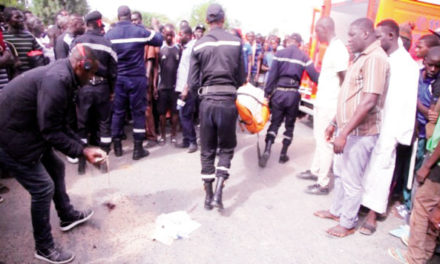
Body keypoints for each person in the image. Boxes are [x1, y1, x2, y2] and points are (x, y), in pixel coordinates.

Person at [0, 45, 105, 264]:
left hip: (27, 129)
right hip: (10, 135)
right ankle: (44, 247)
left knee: (56, 167)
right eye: (91, 72)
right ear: (80, 66)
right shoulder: (57, 81)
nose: (93, 76)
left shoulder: (67, 77)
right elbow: (50, 130)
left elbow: (61, 124)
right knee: (42, 187)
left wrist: (83, 146)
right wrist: (83, 151)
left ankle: (66, 215)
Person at [314, 18, 390, 238]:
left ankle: (347, 223)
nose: (349, 39)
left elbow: (368, 101)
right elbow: (349, 97)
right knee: (339, 173)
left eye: (352, 35)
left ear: (366, 34)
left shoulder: (375, 59)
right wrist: (334, 124)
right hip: (346, 129)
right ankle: (337, 211)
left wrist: (344, 133)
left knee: (351, 180)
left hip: (360, 133)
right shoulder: (361, 58)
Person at [359, 19, 419, 235]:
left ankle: (374, 213)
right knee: (365, 164)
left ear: (391, 36)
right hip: (371, 120)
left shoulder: (408, 66)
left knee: (382, 166)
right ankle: (362, 203)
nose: (375, 39)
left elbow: (409, 102)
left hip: (391, 124)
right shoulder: (378, 58)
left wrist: (403, 135)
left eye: (379, 36)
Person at [188, 3, 245, 210]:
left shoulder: (199, 44)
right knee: (227, 148)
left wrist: (201, 101)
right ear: (224, 19)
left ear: (207, 21)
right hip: (228, 101)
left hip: (207, 102)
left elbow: (193, 82)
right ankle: (219, 193)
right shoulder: (237, 43)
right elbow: (241, 77)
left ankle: (208, 196)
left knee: (207, 150)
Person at [297, 16, 349, 195]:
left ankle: (323, 183)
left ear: (324, 29)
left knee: (326, 143)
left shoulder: (339, 49)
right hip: (323, 102)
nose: (315, 35)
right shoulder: (331, 48)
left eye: (317, 31)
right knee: (319, 140)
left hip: (331, 105)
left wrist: (338, 109)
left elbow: (344, 81)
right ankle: (316, 171)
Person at [105, 5, 163, 160]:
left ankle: (117, 147)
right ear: (130, 16)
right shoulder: (139, 31)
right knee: (138, 112)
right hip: (136, 78)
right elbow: (159, 40)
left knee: (118, 112)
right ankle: (138, 149)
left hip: (119, 78)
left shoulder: (109, 35)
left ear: (118, 17)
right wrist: (156, 27)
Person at [259, 33, 319, 167]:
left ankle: (267, 150)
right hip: (293, 94)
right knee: (289, 125)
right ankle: (283, 154)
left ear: (289, 41)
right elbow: (315, 77)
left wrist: (266, 94)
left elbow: (272, 76)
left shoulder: (279, 54)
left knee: (275, 123)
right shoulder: (304, 56)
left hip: (279, 93)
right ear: (299, 43)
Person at [70, 11, 118, 174]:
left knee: (82, 124)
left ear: (86, 24)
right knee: (104, 124)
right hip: (102, 88)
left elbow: (71, 65)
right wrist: (111, 90)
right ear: (99, 23)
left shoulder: (77, 41)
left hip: (83, 87)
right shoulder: (107, 43)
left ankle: (82, 162)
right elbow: (113, 70)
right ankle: (103, 162)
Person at [156, 24, 181, 145]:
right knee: (161, 113)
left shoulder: (178, 49)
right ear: (164, 35)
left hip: (175, 88)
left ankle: (173, 135)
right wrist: (155, 87)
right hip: (162, 87)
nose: (170, 37)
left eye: (172, 35)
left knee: (175, 112)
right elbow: (156, 68)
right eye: (167, 35)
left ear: (174, 35)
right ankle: (162, 135)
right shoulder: (160, 49)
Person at [175, 25, 198, 153]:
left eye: (181, 34)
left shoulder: (191, 49)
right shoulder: (186, 48)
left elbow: (191, 71)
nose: (179, 36)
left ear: (189, 35)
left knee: (185, 115)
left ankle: (192, 142)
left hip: (187, 89)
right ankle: (186, 140)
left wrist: (186, 88)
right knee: (182, 115)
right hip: (181, 87)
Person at [2, 7, 43, 76]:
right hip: (11, 77)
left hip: (30, 75)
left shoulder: (29, 36)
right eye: (17, 18)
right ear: (7, 20)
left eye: (21, 17)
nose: (20, 20)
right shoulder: (3, 37)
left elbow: (40, 52)